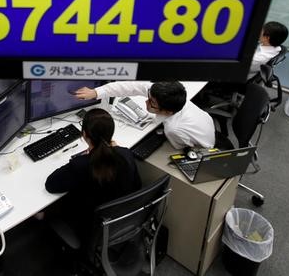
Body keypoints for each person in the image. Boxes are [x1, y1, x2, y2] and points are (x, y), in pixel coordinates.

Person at [44, 108, 141, 244]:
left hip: (90, 227)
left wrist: (82, 158)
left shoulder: (81, 164)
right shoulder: (126, 154)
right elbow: (138, 185)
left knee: (46, 210)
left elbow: (51, 185)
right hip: (122, 219)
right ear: (111, 133)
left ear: (84, 134)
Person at [74, 81, 215, 149]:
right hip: (206, 124)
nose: (146, 102)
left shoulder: (174, 128)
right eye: (148, 97)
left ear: (167, 111)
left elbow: (179, 146)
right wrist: (96, 92)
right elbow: (126, 87)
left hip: (199, 147)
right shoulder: (163, 95)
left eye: (152, 103)